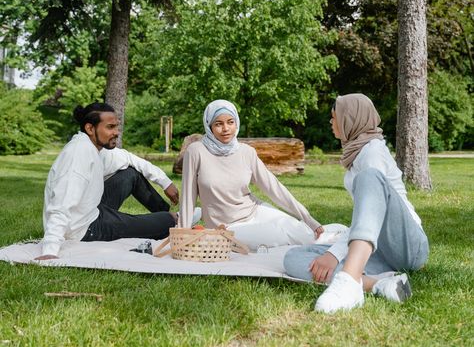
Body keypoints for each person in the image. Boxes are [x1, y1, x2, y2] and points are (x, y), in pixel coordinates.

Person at [284, 94, 429, 313]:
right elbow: (366, 219)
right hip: (379, 250)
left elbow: (374, 214)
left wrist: (334, 255)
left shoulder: (372, 152)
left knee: (369, 177)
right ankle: (379, 285)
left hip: (407, 245)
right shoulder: (357, 152)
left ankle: (349, 279)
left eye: (335, 117)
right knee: (293, 258)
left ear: (349, 119)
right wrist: (331, 254)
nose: (331, 122)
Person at [37, 102, 179, 259]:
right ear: (90, 128)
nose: (117, 132)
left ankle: (166, 213)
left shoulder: (95, 148)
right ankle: (174, 220)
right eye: (110, 127)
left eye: (117, 127)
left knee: (130, 174)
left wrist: (166, 183)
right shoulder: (78, 155)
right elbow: (61, 204)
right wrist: (50, 250)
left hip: (91, 211)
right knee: (167, 222)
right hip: (83, 230)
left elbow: (130, 158)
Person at [178, 99, 324, 249]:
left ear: (237, 123)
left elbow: (273, 187)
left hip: (255, 211)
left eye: (230, 122)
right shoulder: (196, 151)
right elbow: (188, 195)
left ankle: (334, 235)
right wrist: (182, 232)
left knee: (302, 232)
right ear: (209, 126)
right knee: (276, 235)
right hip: (226, 227)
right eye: (218, 124)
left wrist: (307, 217)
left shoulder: (246, 152)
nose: (226, 128)